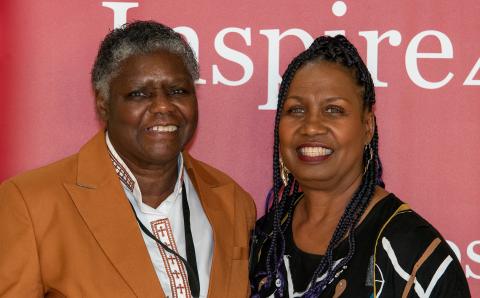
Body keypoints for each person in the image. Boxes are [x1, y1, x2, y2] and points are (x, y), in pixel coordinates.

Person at [0, 21, 256, 298]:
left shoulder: (234, 202)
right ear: (103, 104)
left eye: (178, 91)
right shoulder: (31, 204)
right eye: (139, 94)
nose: (163, 106)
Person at [249, 35, 470, 297]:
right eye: (296, 110)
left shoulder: (414, 255)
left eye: (333, 110)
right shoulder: (266, 238)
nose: (310, 126)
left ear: (368, 127)